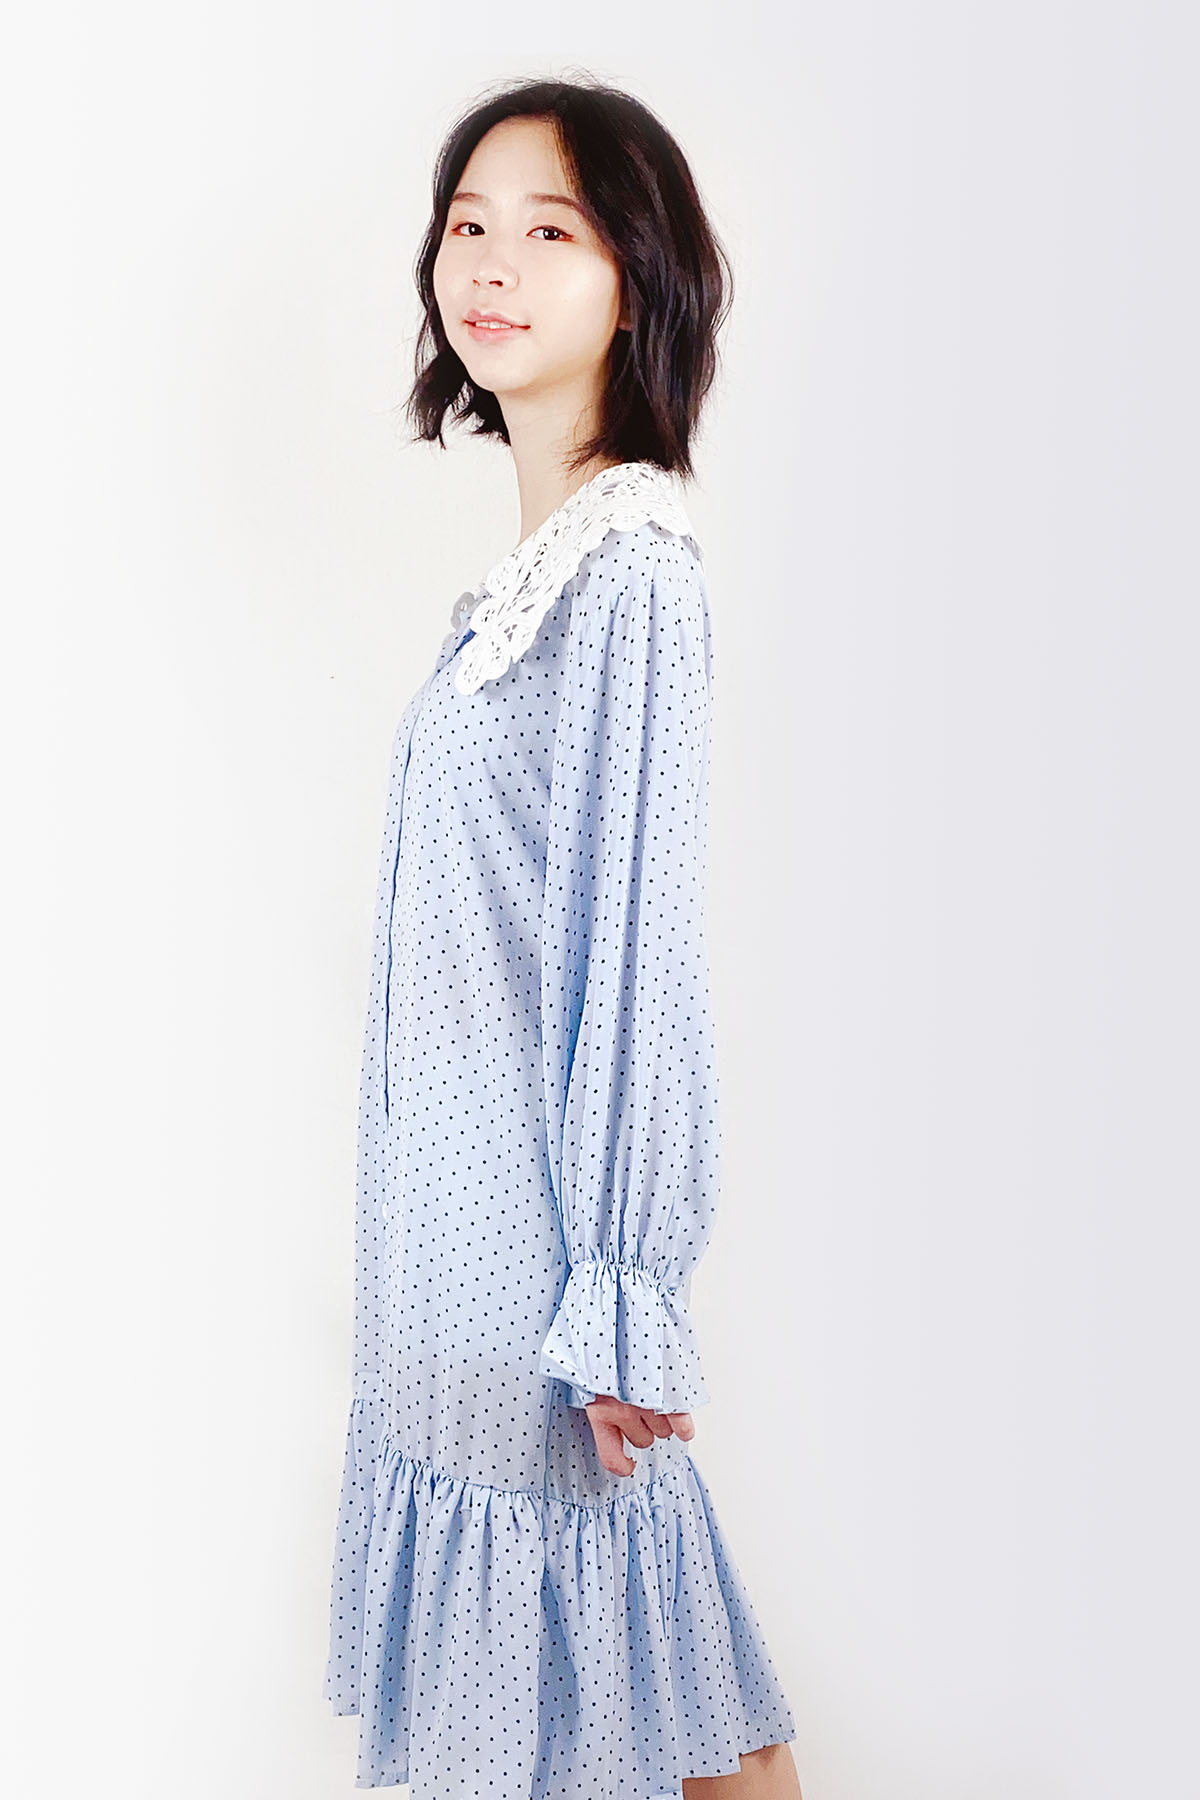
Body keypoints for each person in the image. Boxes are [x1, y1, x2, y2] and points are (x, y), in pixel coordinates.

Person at [323, 75, 804, 1800]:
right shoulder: (534, 588)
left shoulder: (633, 581)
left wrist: (616, 1290)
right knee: (615, 1703)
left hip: (531, 1277)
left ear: (638, 278)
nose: (491, 264)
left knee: (641, 1686)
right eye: (469, 224)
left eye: (550, 230)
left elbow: (637, 969)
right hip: (446, 1260)